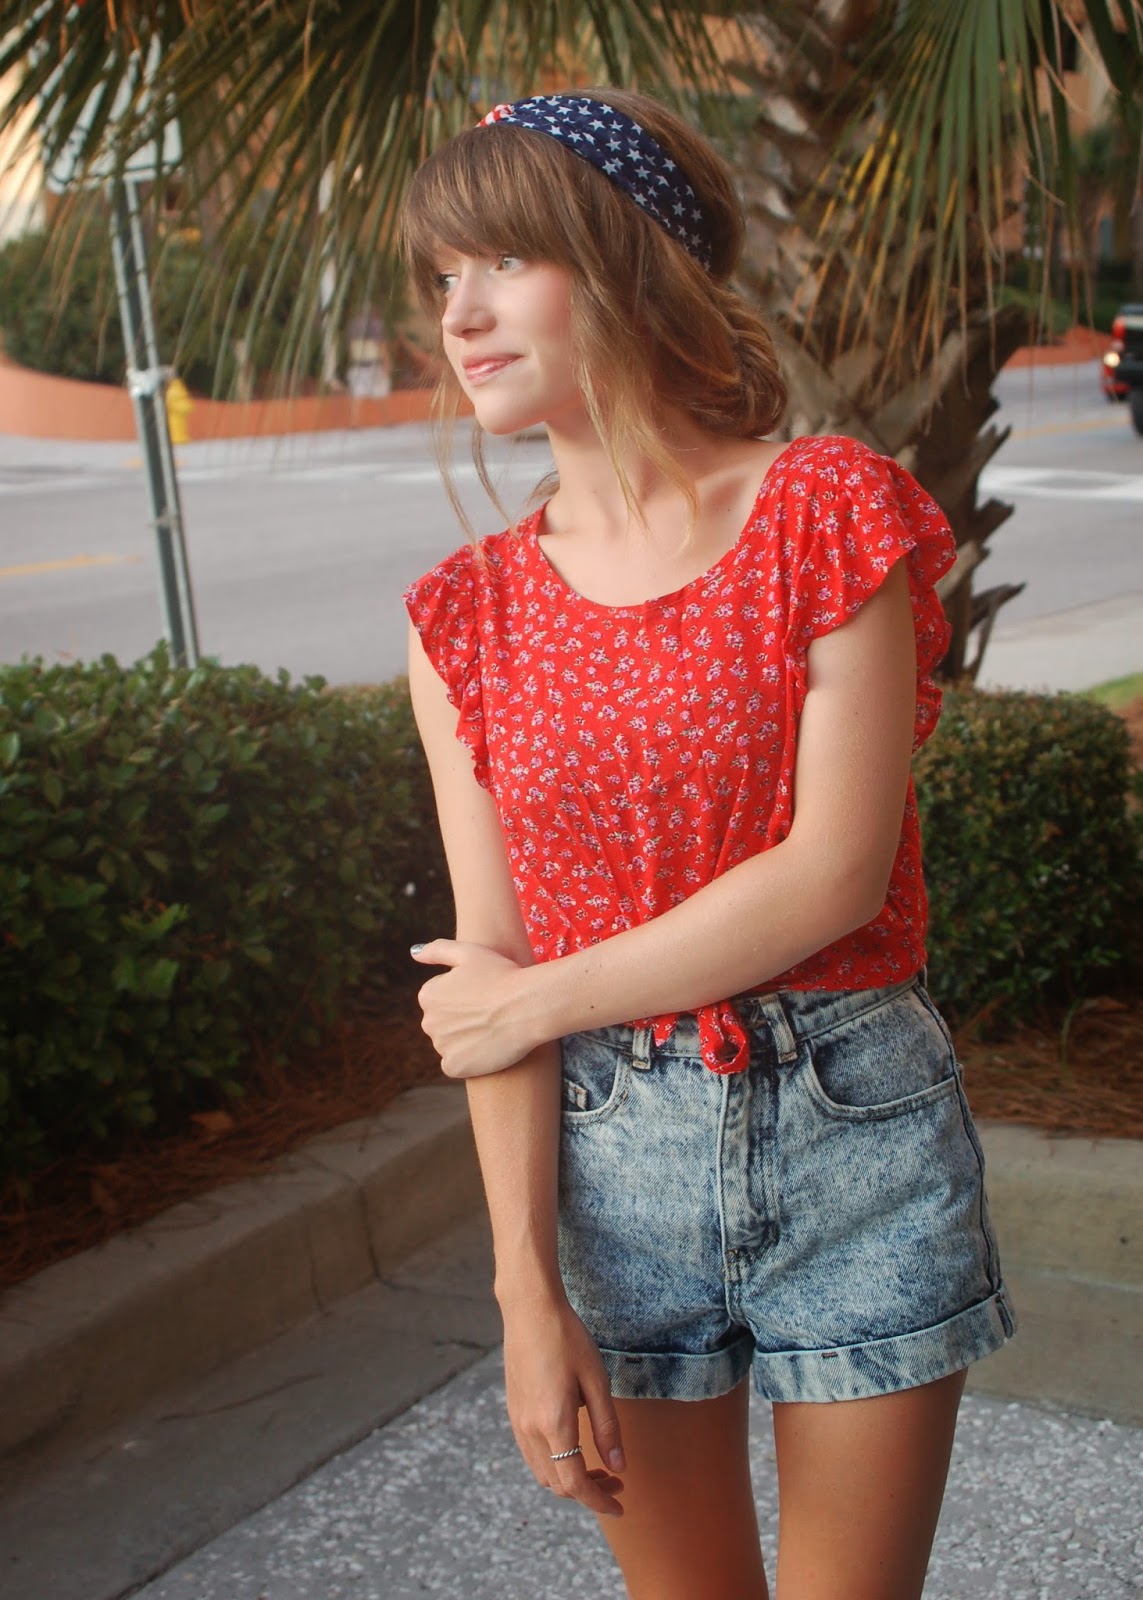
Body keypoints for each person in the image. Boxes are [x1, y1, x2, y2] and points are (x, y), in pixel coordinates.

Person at [400, 87, 1015, 1600]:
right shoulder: (466, 615)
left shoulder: (824, 510)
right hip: (609, 1175)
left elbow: (832, 874)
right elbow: (488, 965)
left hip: (853, 1132)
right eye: (442, 276)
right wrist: (525, 1298)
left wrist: (535, 1002)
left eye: (503, 261)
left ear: (627, 257)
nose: (459, 314)